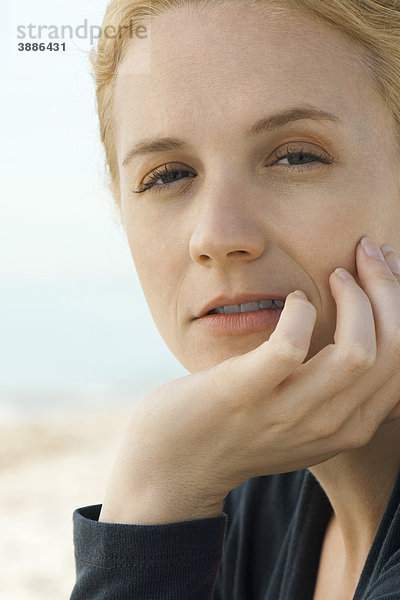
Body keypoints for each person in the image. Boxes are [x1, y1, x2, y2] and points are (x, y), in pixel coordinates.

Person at [69, 0, 400, 598]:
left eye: (296, 156)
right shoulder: (248, 494)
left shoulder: (188, 494)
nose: (218, 237)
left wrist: (154, 492)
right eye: (168, 175)